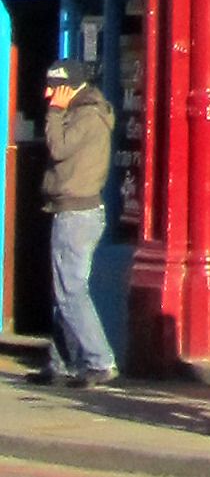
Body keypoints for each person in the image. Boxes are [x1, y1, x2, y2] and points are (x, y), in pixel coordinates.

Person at [29, 58, 117, 388]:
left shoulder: (88, 115)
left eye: (53, 88)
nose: (47, 94)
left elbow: (58, 147)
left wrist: (54, 112)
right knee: (63, 289)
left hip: (78, 213)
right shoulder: (79, 112)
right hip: (68, 210)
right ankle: (62, 361)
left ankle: (99, 360)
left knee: (71, 291)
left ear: (68, 88)